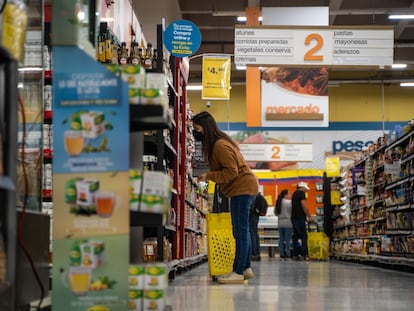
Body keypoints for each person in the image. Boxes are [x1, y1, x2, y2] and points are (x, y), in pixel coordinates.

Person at [193, 111, 259, 284]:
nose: (196, 132)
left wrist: (209, 176)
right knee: (240, 230)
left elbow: (231, 172)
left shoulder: (220, 146)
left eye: (197, 129)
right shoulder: (220, 144)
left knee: (240, 231)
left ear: (205, 128)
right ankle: (245, 268)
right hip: (242, 188)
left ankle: (237, 272)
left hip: (242, 187)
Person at [291, 182, 313, 261]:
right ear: (302, 187)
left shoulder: (294, 194)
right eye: (305, 189)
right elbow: (304, 206)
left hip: (294, 218)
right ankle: (304, 254)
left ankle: (295, 254)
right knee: (304, 236)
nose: (306, 191)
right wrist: (309, 216)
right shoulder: (301, 193)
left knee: (296, 237)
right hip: (300, 218)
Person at [275, 189, 292, 260]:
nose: (289, 195)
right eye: (288, 194)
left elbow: (275, 213)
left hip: (280, 223)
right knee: (288, 240)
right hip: (288, 222)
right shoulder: (290, 202)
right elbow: (293, 211)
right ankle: (288, 255)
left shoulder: (278, 202)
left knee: (281, 239)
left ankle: (281, 255)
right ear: (285, 195)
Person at [249, 192, 267, 261]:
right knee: (255, 234)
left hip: (252, 216)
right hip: (256, 216)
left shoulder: (253, 196)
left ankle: (253, 254)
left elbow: (251, 207)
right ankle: (257, 253)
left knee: (252, 234)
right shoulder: (258, 196)